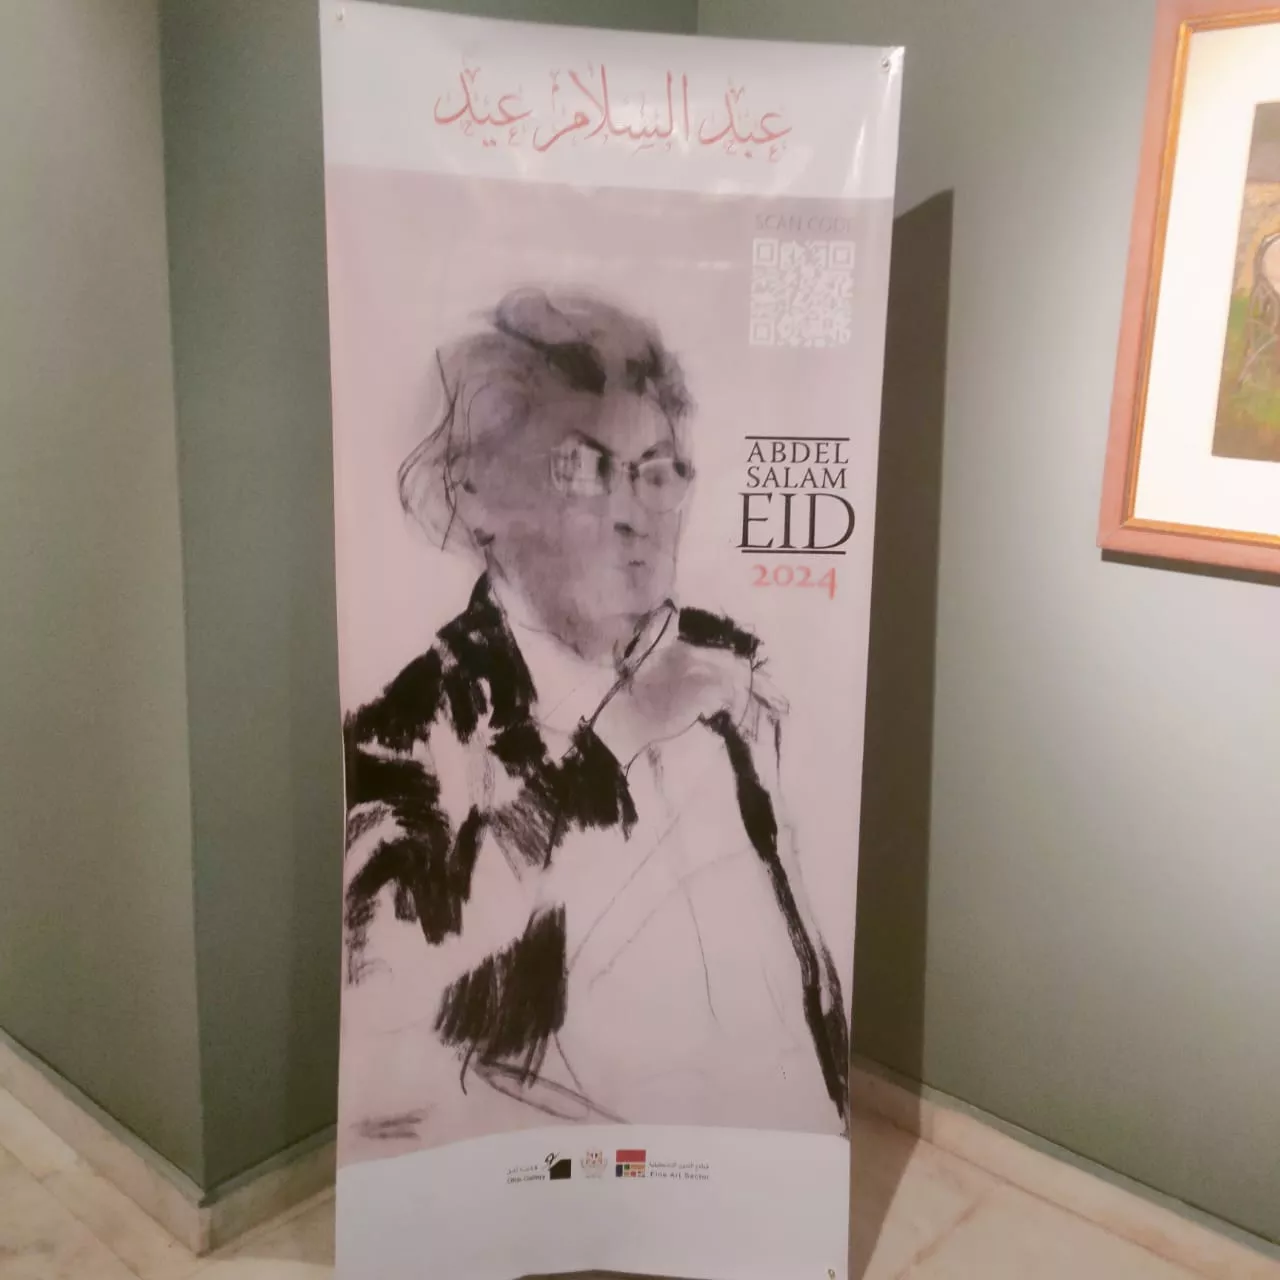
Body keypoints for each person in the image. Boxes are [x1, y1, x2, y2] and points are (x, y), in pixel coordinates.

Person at [340, 288, 848, 1151]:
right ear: (474, 497)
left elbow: (797, 972)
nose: (633, 511)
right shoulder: (411, 730)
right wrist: (613, 743)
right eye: (579, 468)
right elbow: (393, 1023)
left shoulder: (733, 674)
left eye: (657, 469)